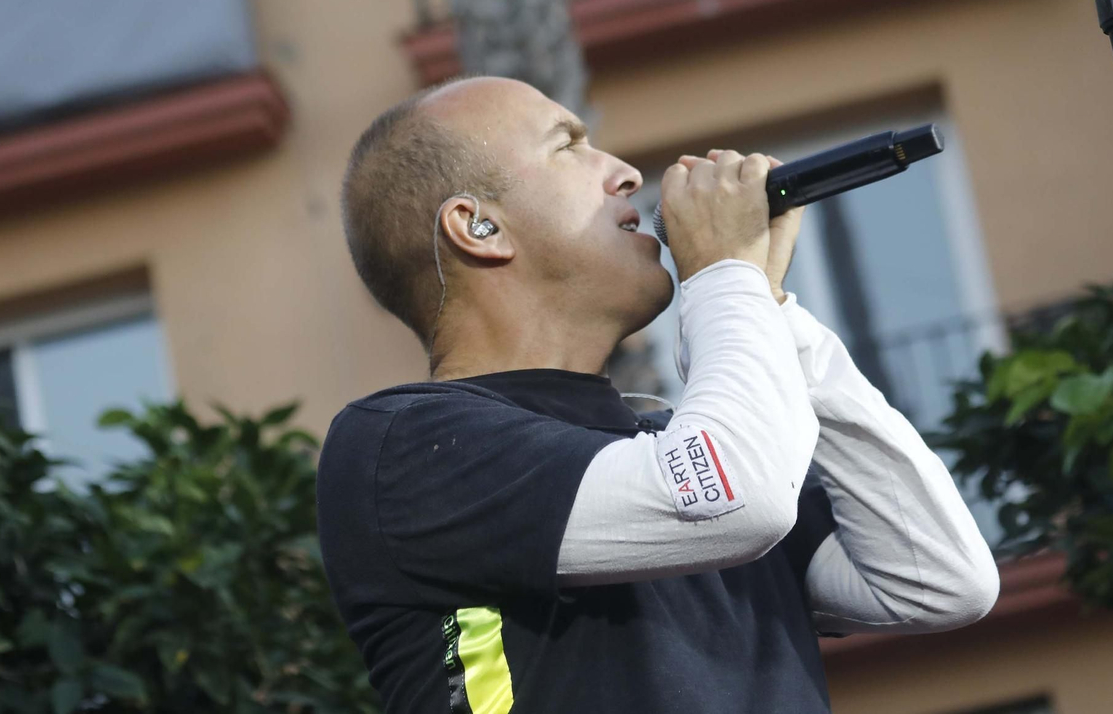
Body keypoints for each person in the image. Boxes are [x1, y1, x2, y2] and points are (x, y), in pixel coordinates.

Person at [318, 76, 999, 713]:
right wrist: (725, 277)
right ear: (479, 227)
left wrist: (770, 304)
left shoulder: (666, 450)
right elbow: (734, 495)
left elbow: (937, 578)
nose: (628, 173)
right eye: (569, 146)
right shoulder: (399, 449)